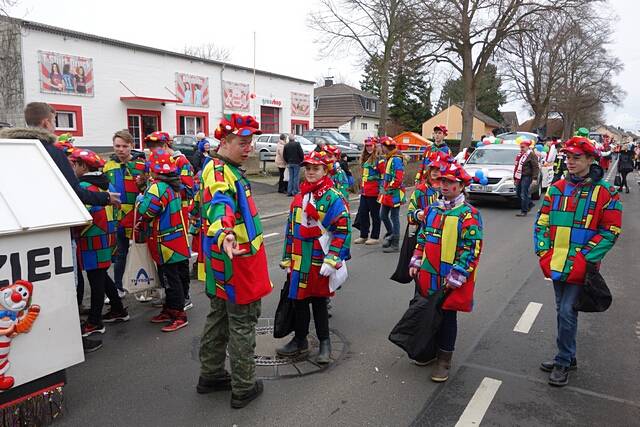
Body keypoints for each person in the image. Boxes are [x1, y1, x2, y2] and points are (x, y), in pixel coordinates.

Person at [534, 136, 622, 387]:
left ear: (590, 160)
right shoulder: (557, 188)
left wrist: (585, 258)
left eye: (576, 158)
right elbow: (542, 222)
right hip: (556, 263)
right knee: (563, 310)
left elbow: (611, 230)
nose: (570, 162)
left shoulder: (605, 192)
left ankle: (563, 360)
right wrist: (543, 252)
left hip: (581, 266)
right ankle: (568, 356)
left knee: (566, 311)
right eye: (568, 157)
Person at [197, 114, 272, 409]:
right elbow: (220, 204)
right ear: (224, 142)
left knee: (218, 317)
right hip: (236, 261)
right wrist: (224, 232)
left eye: (250, 142)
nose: (249, 148)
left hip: (221, 261)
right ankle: (243, 386)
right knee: (242, 322)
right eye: (242, 143)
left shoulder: (220, 167)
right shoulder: (220, 173)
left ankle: (211, 374)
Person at [408, 161, 483, 382]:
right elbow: (422, 237)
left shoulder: (469, 215)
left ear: (461, 186)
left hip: (450, 277)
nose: (444, 185)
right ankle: (428, 350)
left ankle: (444, 359)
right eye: (442, 181)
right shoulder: (432, 209)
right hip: (428, 273)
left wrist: (458, 275)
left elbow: (471, 248)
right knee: (428, 312)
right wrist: (416, 260)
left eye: (450, 182)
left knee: (447, 317)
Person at [277, 151, 351, 364]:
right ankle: (300, 340)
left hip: (320, 257)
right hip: (299, 257)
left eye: (315, 168)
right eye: (307, 168)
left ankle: (325, 343)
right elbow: (291, 229)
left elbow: (342, 230)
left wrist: (333, 258)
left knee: (319, 301)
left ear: (325, 170)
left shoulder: (333, 197)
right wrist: (287, 257)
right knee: (298, 300)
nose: (310, 172)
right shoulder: (299, 197)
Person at [69, 148, 129, 338]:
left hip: (92, 240)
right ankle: (119, 309)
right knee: (101, 275)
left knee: (96, 282)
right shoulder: (107, 185)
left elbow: (81, 218)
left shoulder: (86, 188)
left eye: (74, 164)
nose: (71, 168)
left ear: (83, 166)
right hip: (107, 238)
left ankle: (95, 322)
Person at [136, 148, 191, 332]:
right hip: (178, 239)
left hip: (164, 243)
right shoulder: (175, 186)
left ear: (153, 170)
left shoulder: (157, 188)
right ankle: (170, 309)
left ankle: (179, 315)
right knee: (178, 277)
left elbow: (147, 211)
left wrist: (142, 197)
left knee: (169, 279)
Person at [143, 131, 195, 308]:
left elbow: (189, 189)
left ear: (165, 146)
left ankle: (184, 297)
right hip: (161, 217)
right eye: (150, 148)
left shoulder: (181, 162)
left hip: (177, 216)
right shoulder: (153, 162)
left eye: (156, 147)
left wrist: (165, 189)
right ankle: (171, 297)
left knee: (178, 261)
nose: (152, 151)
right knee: (165, 264)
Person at [103, 130, 148, 296]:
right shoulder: (108, 166)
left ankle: (145, 286)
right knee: (120, 254)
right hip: (118, 217)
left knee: (143, 251)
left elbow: (148, 192)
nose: (120, 149)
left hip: (137, 217)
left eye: (124, 146)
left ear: (131, 146)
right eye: (117, 146)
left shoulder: (141, 166)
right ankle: (118, 287)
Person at [378, 136, 406, 253]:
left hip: (394, 194)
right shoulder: (389, 158)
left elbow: (398, 178)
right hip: (388, 193)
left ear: (386, 147)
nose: (381, 148)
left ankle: (395, 244)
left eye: (382, 146)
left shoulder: (396, 159)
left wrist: (389, 188)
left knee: (394, 217)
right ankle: (391, 234)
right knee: (383, 215)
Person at [354, 137, 384, 245]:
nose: (368, 148)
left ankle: (375, 236)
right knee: (363, 213)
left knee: (375, 215)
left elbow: (383, 176)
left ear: (375, 146)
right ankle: (363, 235)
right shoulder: (364, 158)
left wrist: (381, 190)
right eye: (367, 146)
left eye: (370, 145)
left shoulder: (379, 159)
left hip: (374, 192)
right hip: (365, 191)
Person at [514, 139, 539, 217]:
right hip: (519, 176)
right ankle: (530, 203)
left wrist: (534, 178)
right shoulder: (520, 155)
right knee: (518, 193)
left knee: (523, 193)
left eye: (523, 147)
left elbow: (535, 167)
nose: (521, 149)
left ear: (528, 147)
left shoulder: (532, 155)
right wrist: (514, 177)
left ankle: (524, 211)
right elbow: (517, 167)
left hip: (527, 176)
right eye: (520, 147)